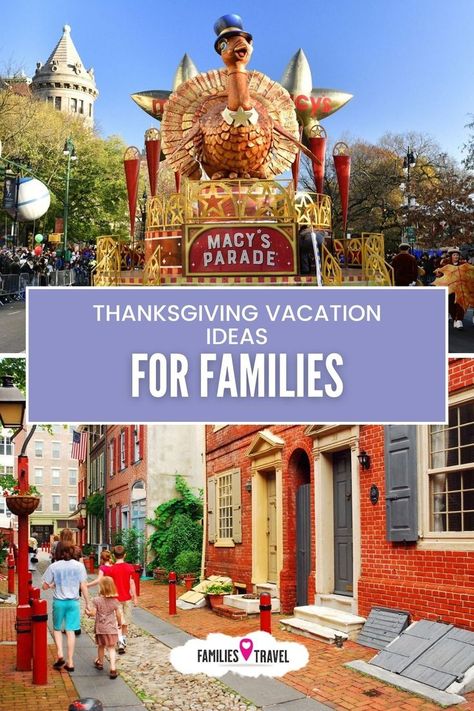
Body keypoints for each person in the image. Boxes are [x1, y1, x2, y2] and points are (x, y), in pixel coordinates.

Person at [42, 544, 91, 672]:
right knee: (70, 631)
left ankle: (60, 654)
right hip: (73, 602)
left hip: (59, 601)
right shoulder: (79, 566)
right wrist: (88, 603)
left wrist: (53, 584)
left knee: (57, 628)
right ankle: (70, 661)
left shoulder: (54, 566)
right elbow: (84, 586)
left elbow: (45, 586)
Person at [86, 576, 123, 680]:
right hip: (111, 628)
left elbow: (93, 613)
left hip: (100, 628)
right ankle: (113, 668)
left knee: (101, 646)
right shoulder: (115, 601)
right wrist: (119, 623)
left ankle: (100, 663)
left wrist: (87, 613)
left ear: (101, 587)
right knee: (111, 648)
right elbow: (119, 614)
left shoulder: (96, 600)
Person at [106, 546, 137, 654]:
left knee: (118, 621)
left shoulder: (111, 569)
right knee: (125, 622)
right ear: (125, 555)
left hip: (115, 599)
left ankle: (120, 642)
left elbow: (108, 585)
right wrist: (135, 597)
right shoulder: (129, 567)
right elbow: (131, 582)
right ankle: (122, 640)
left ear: (114, 556)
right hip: (127, 598)